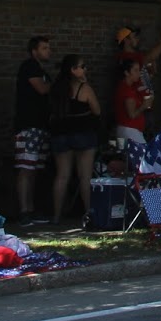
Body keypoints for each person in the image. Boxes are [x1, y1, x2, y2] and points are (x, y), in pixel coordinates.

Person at [48, 54, 103, 226]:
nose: (85, 69)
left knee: (62, 175)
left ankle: (56, 216)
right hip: (83, 133)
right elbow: (97, 110)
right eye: (82, 66)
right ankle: (89, 215)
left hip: (60, 133)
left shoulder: (56, 88)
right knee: (85, 176)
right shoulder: (83, 88)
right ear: (73, 70)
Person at [13, 35, 54, 220]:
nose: (48, 51)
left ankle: (31, 208)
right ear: (34, 50)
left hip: (41, 125)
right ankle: (23, 210)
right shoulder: (29, 66)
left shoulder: (41, 69)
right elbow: (42, 89)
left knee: (35, 168)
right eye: (44, 48)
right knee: (26, 167)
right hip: (28, 125)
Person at [112, 52, 154, 148]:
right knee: (142, 158)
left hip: (126, 130)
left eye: (139, 70)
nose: (138, 73)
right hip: (130, 131)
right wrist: (144, 105)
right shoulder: (126, 90)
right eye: (135, 70)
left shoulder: (129, 88)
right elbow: (132, 114)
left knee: (126, 160)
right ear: (127, 72)